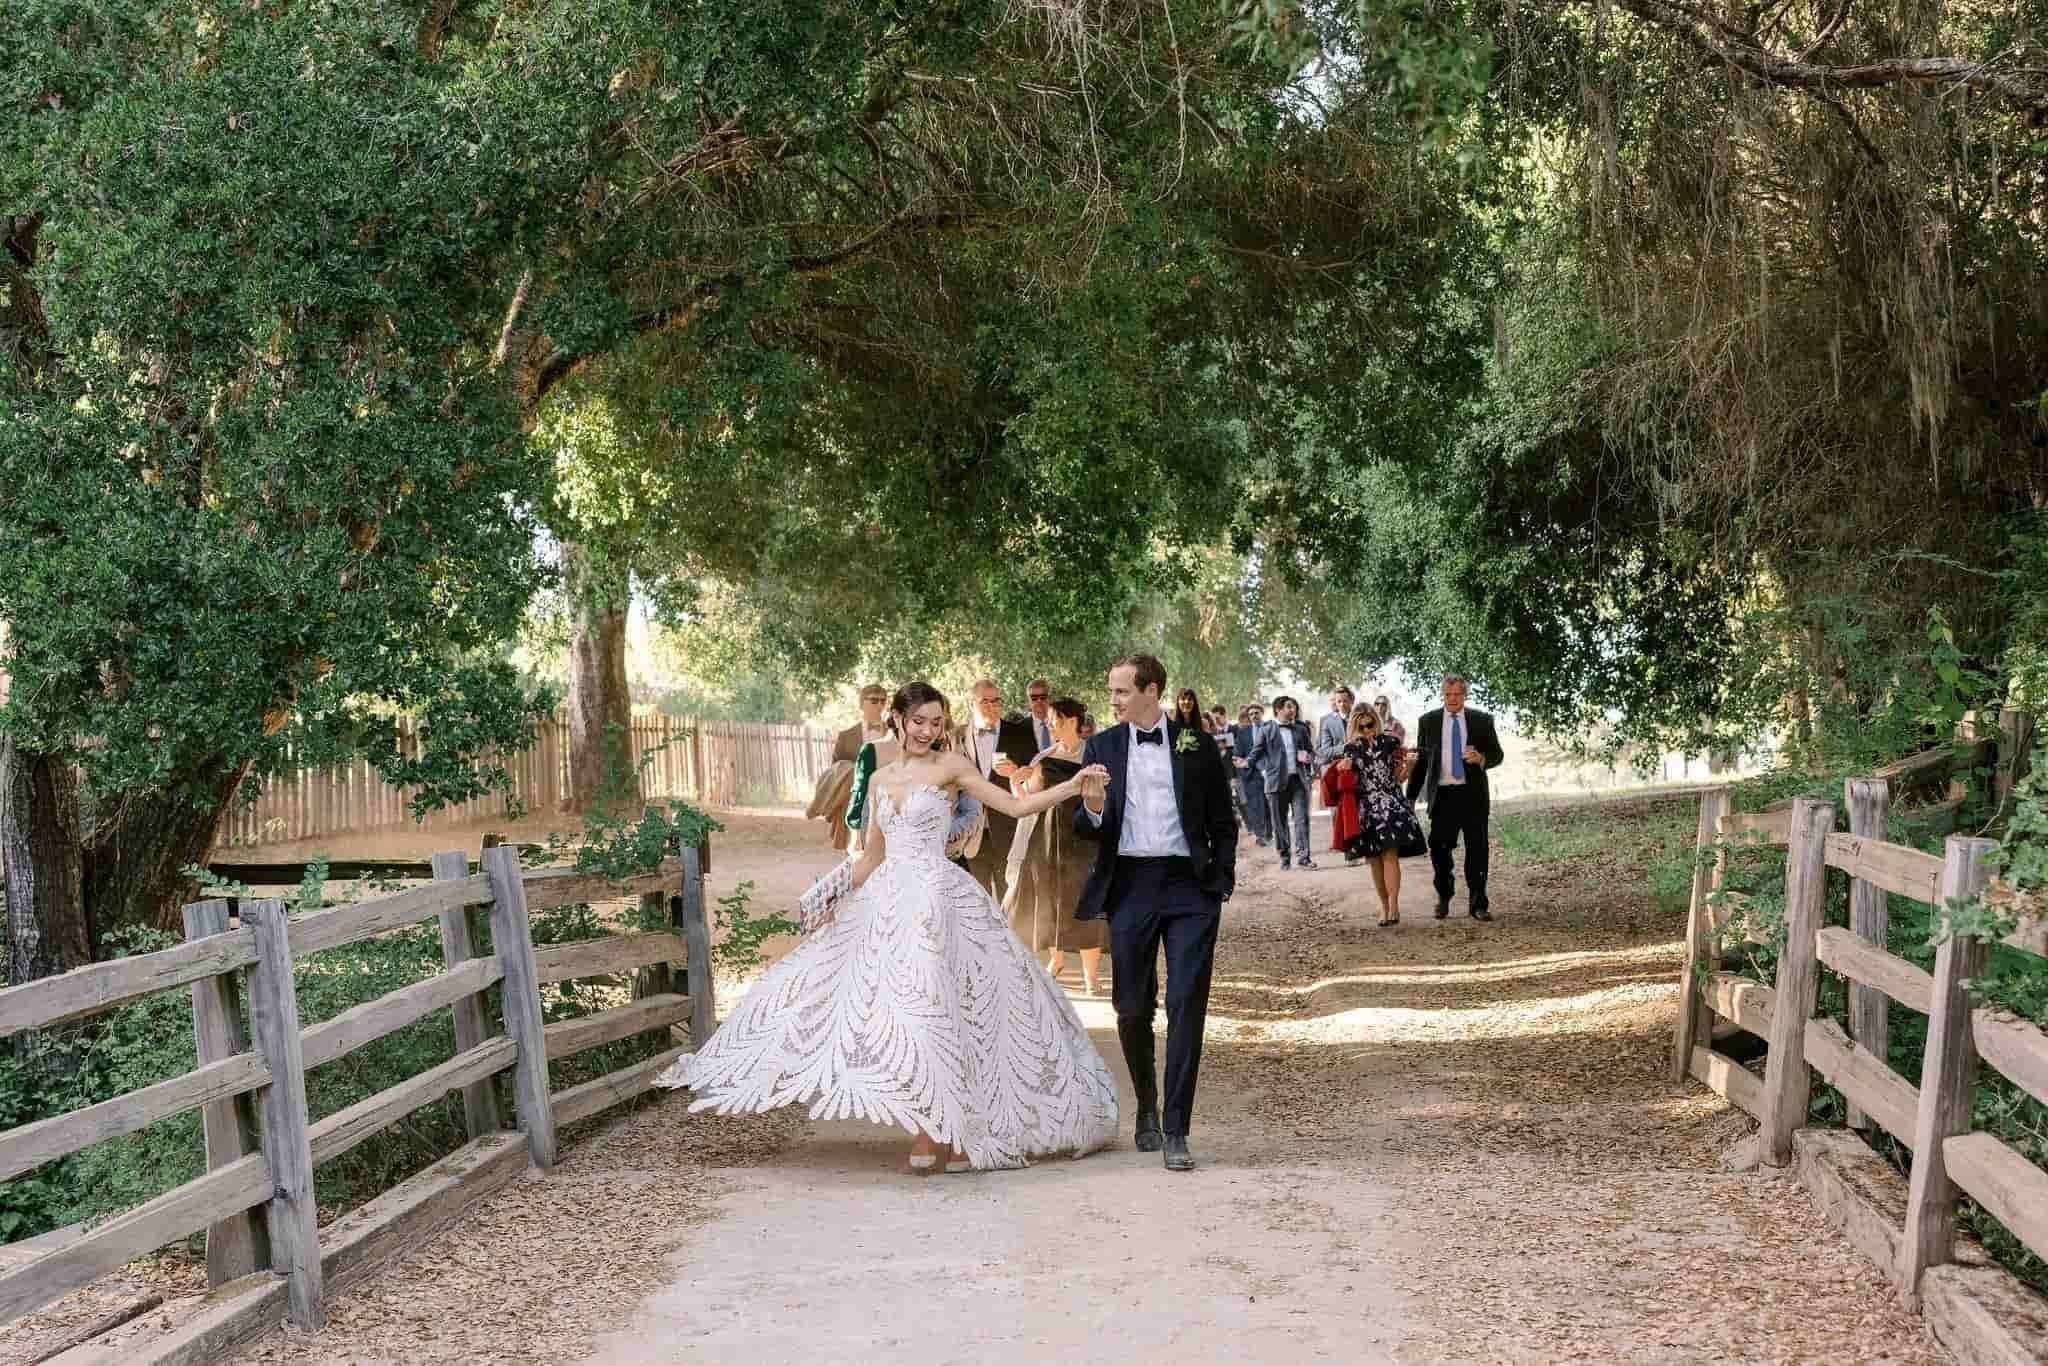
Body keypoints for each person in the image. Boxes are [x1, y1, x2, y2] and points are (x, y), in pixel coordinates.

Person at [659, 682, 1118, 1173]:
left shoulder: (952, 768)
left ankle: (946, 1133)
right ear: (899, 719)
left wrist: (1072, 786)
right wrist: (830, 891)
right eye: (919, 720)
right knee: (892, 1009)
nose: (928, 731)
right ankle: (938, 1128)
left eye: (937, 722)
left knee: (944, 1011)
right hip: (888, 902)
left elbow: (1017, 807)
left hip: (940, 902)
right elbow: (872, 858)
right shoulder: (880, 779)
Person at [1074, 653, 1238, 1172]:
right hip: (1131, 885)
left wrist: (1220, 881)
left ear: (1152, 691)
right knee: (1130, 1007)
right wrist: (1095, 806)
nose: (1114, 699)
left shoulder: (1197, 744)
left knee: (1187, 1003)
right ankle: (1146, 1103)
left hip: (1190, 889)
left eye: (1121, 691)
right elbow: (1084, 824)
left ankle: (1177, 1129)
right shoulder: (1100, 746)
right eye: (1112, 690)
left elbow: (1222, 820)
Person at [1005, 697, 1107, 994]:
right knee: (1049, 897)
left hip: (1085, 836)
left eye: (1055, 719)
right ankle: (1057, 959)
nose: (1049, 724)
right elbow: (1029, 799)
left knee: (1084, 900)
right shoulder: (1043, 758)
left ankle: (1090, 975)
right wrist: (1015, 780)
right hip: (1048, 838)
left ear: (1073, 720)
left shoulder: (1095, 753)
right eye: (1049, 720)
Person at [1404, 674, 1506, 922]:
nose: (1452, 699)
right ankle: (1444, 894)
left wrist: (1481, 758)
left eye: (1457, 694)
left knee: (1478, 850)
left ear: (1464, 695)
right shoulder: (1428, 722)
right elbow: (1422, 762)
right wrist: (1410, 798)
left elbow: (1497, 754)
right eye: (1448, 695)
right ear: (1443, 695)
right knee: (1439, 849)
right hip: (1443, 796)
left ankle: (1478, 903)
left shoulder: (1481, 720)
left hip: (1473, 796)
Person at [1328, 704, 1424, 926]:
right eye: (1361, 727)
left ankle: (1394, 906)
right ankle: (1383, 906)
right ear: (1354, 726)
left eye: (1370, 724)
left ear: (1376, 721)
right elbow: (1345, 785)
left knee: (1390, 855)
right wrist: (1343, 770)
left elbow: (1399, 778)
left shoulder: (1390, 743)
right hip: (1366, 808)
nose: (1367, 730)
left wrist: (1409, 766)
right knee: (1373, 860)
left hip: (1390, 804)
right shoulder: (1350, 749)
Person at [958, 678, 1040, 904]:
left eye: (996, 701)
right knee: (975, 901)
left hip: (1009, 831)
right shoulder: (956, 737)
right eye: (985, 702)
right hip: (969, 833)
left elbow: (1036, 778)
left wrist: (1017, 774)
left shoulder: (1020, 734)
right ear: (970, 704)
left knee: (1010, 901)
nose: (992, 707)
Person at [1252, 695, 1316, 870]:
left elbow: (1311, 752)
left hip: (1298, 781)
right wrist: (1264, 770)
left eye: (1293, 707)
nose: (1292, 710)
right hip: (1275, 783)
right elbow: (1256, 755)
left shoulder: (1301, 729)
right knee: (1279, 822)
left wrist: (1308, 757)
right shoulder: (1266, 729)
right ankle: (1285, 856)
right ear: (1278, 710)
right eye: (1288, 707)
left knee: (1301, 819)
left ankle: (1304, 857)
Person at [1229, 704, 1272, 847]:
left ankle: (1269, 832)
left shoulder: (1271, 728)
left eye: (1256, 713)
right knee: (1255, 805)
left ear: (1262, 713)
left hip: (1270, 772)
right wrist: (1240, 764)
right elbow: (1237, 754)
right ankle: (1261, 835)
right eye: (1251, 714)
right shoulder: (1243, 733)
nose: (1254, 715)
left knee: (1268, 805)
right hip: (1252, 774)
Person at [1315, 686, 1354, 769]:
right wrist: (1344, 747)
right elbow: (1325, 751)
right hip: (1338, 768)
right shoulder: (1328, 722)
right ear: (1335, 703)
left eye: (1345, 701)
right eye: (1339, 701)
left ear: (1352, 701)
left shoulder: (1360, 718)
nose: (1342, 704)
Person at [1025, 678, 1056, 754]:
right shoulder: (1018, 729)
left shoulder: (1063, 725)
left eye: (1043, 697)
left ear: (1050, 698)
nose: (1039, 701)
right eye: (1034, 698)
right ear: (1028, 701)